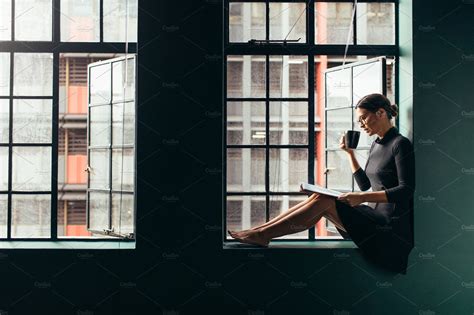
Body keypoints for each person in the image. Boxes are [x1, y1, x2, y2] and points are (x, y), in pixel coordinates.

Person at [228, 93, 415, 274]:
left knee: (324, 202)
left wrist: (360, 198)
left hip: (388, 228)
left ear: (381, 113)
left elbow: (406, 190)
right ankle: (259, 231)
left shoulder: (400, 144)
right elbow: (365, 184)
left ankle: (262, 235)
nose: (360, 124)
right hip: (371, 216)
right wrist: (349, 153)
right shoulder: (376, 144)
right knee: (320, 196)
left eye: (363, 117)